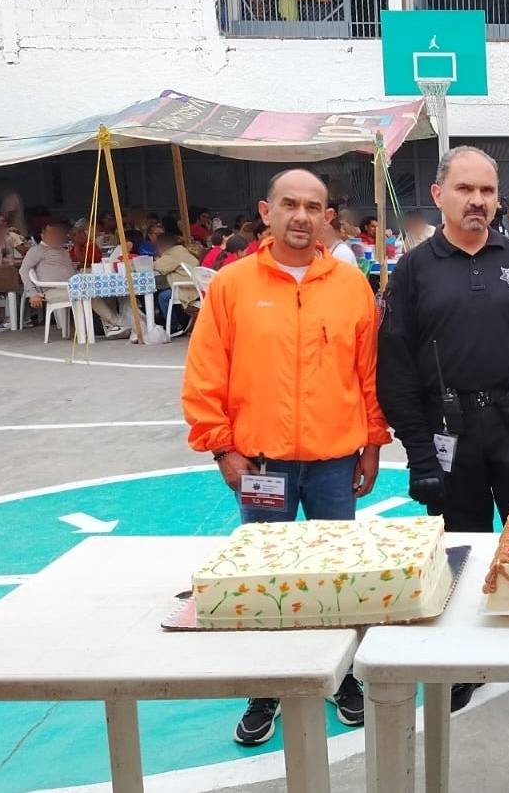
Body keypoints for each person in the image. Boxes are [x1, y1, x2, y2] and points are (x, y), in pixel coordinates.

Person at [182, 168, 393, 744]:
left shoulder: (352, 286)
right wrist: (222, 447)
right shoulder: (231, 285)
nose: (301, 215)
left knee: (336, 577)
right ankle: (266, 686)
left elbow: (369, 373)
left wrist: (373, 441)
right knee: (265, 578)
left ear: (329, 217)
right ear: (266, 211)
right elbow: (206, 372)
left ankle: (344, 674)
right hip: (261, 463)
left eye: (314, 206)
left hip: (332, 460)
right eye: (289, 204)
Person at [376, 146, 509, 714]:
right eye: (465, 189)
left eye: (487, 191)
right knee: (460, 551)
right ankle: (463, 663)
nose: (477, 201)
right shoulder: (414, 271)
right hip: (451, 433)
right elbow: (394, 368)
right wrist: (419, 452)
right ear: (439, 195)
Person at [22, 222, 128, 339]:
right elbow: (23, 270)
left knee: (101, 290)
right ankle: (117, 323)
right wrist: (32, 294)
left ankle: (110, 326)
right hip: (52, 290)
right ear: (43, 235)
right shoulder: (37, 250)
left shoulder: (63, 250)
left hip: (71, 286)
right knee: (87, 292)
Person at [151, 232, 202, 326]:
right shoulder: (182, 251)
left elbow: (156, 266)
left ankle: (174, 325)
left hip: (187, 291)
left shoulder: (172, 255)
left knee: (162, 296)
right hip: (194, 288)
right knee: (163, 292)